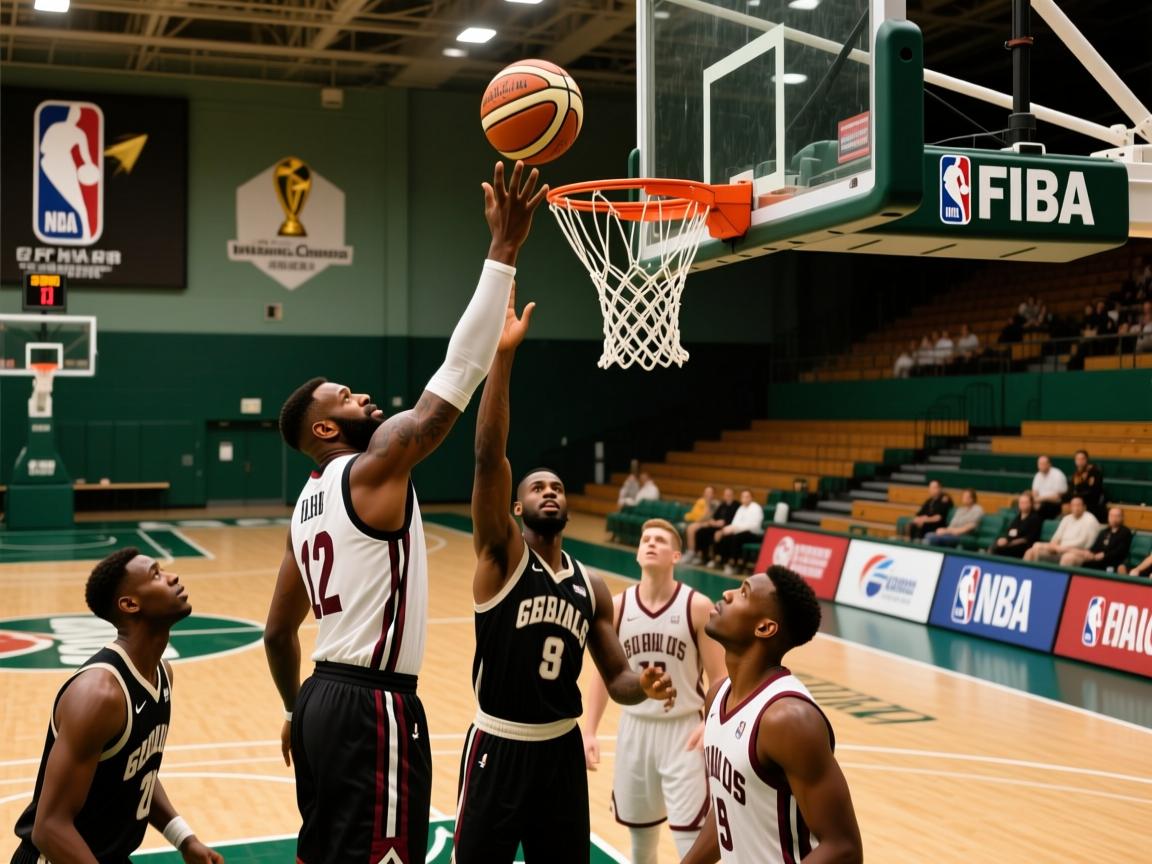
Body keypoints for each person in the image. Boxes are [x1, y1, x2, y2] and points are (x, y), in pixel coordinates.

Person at [263, 160, 546, 864]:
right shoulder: (375, 462)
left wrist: (296, 709)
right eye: (347, 399)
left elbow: (276, 631)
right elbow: (450, 382)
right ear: (326, 432)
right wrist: (502, 252)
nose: (364, 399)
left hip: (322, 702)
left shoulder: (307, 504)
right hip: (372, 707)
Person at [454, 282, 675, 864]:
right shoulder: (500, 556)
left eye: (556, 486)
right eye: (536, 487)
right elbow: (487, 455)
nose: (549, 491)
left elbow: (618, 677)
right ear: (517, 507)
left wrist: (644, 687)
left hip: (560, 753)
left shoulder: (591, 587)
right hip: (497, 746)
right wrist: (502, 357)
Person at [13, 548, 222, 864]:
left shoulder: (162, 674)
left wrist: (184, 839)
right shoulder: (100, 695)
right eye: (156, 574)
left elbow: (135, 771)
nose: (172, 577)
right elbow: (49, 828)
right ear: (129, 604)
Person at [682, 567, 863, 864]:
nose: (726, 594)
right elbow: (729, 804)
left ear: (764, 628)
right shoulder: (716, 696)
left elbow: (844, 848)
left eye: (743, 593)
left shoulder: (788, 719)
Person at [582, 519, 727, 864]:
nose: (650, 544)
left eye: (660, 540)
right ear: (636, 554)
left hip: (684, 732)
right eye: (645, 539)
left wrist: (712, 723)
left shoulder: (697, 606)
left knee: (690, 842)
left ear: (676, 555)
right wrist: (589, 730)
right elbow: (603, 675)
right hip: (634, 729)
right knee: (641, 843)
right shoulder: (617, 606)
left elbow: (721, 675)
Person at [1023, 495, 1101, 564]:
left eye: (1078, 505)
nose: (1076, 508)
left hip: (1078, 553)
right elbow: (1055, 540)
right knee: (1031, 551)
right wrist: (1055, 547)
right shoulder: (1067, 519)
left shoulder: (1090, 520)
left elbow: (1086, 548)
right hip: (1059, 550)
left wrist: (1061, 548)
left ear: (1084, 507)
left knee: (1067, 558)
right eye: (1073, 505)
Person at [1059, 507, 1132, 571]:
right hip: (1096, 560)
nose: (1114, 518)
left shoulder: (1125, 532)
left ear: (1122, 517)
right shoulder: (1104, 531)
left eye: (1117, 516)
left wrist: (1104, 555)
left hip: (1111, 562)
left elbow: (1121, 550)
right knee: (1069, 557)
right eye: (1111, 515)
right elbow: (1096, 547)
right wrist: (1090, 553)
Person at [713, 489, 765, 575]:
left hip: (754, 534)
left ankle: (734, 564)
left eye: (747, 497)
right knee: (724, 535)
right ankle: (723, 562)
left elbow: (754, 526)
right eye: (743, 497)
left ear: (751, 498)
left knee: (736, 537)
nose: (745, 499)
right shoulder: (741, 508)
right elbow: (734, 523)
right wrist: (723, 530)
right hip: (741, 532)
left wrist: (735, 529)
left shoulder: (756, 508)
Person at [688, 488, 738, 566]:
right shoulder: (722, 505)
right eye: (725, 495)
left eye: (729, 494)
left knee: (717, 534)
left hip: (727, 527)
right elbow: (714, 516)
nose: (727, 496)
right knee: (702, 531)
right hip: (716, 525)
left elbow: (734, 520)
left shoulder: (736, 505)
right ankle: (703, 557)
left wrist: (723, 524)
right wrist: (713, 522)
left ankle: (716, 559)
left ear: (733, 495)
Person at [989, 492, 1043, 558]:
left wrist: (1010, 543)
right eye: (1021, 502)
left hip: (1024, 546)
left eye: (1025, 502)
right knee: (995, 545)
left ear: (1031, 504)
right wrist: (1005, 539)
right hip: (1011, 543)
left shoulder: (1035, 519)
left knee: (1000, 549)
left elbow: (1028, 539)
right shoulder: (1017, 518)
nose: (1022, 505)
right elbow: (1010, 532)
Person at [1067, 449, 1106, 521]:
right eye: (1078, 459)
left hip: (1091, 503)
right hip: (1078, 501)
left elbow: (1094, 491)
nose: (1080, 461)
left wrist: (1077, 497)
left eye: (1082, 459)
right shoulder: (1076, 474)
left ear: (1086, 460)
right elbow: (1071, 489)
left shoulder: (1094, 471)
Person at [1031, 455, 1068, 521]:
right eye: (1039, 464)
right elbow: (1034, 492)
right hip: (1040, 502)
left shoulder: (1058, 475)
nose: (1041, 466)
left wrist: (1040, 499)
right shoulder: (1038, 475)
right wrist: (1036, 501)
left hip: (1054, 504)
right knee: (1026, 505)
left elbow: (1058, 497)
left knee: (1042, 508)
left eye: (1043, 464)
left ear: (1049, 464)